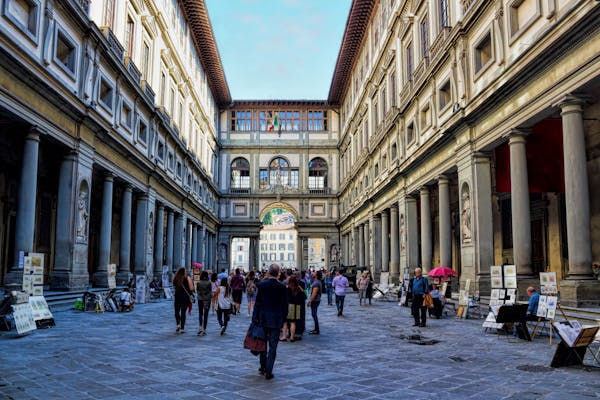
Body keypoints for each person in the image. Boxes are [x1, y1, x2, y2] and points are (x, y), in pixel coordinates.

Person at [252, 264, 288, 380]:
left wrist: (254, 319)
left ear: (268, 272)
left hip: (263, 319)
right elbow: (284, 306)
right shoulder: (282, 287)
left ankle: (262, 367)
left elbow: (257, 304)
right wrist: (283, 320)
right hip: (276, 321)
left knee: (262, 344)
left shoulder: (262, 285)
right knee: (273, 347)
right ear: (278, 273)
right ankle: (269, 370)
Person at [280, 275, 306, 342]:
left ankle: (284, 336)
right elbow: (305, 296)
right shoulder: (298, 288)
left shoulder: (287, 288)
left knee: (285, 322)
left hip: (288, 306)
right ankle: (292, 337)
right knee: (293, 323)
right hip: (296, 307)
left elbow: (283, 297)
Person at [173, 267, 194, 333]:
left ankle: (178, 325)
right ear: (184, 272)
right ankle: (182, 328)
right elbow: (191, 288)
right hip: (185, 297)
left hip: (177, 296)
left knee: (177, 311)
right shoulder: (187, 278)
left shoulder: (175, 278)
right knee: (183, 312)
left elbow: (174, 286)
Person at [196, 271, 212, 335]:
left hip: (200, 299)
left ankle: (200, 327)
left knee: (200, 313)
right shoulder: (209, 283)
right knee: (206, 314)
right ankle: (204, 329)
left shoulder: (198, 283)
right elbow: (210, 291)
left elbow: (197, 290)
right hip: (207, 300)